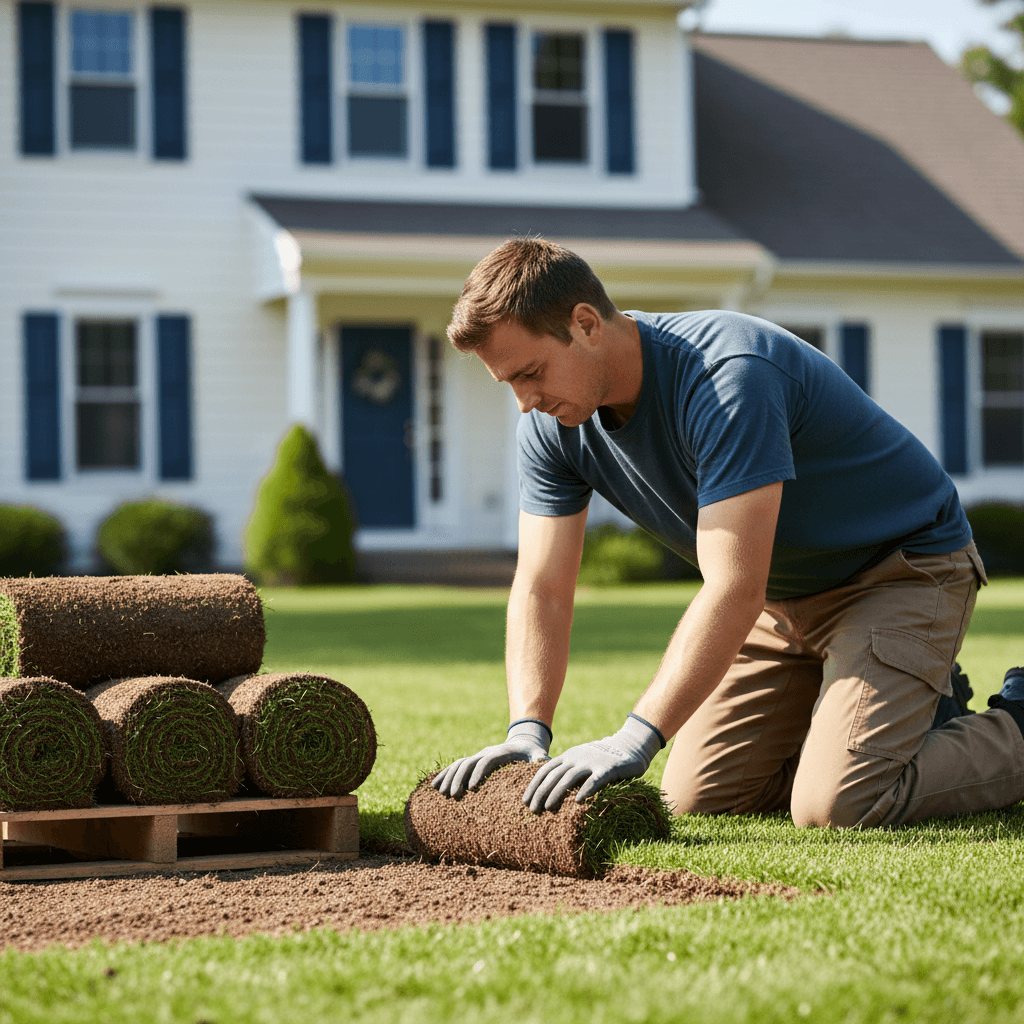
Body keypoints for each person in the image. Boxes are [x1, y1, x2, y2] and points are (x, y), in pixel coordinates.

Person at [432, 238, 1024, 828]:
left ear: (585, 324)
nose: (524, 403)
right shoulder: (550, 425)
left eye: (530, 373)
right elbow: (542, 586)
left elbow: (733, 586)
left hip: (901, 571)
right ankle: (912, 716)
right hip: (782, 597)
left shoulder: (726, 375)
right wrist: (527, 729)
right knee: (699, 795)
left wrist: (633, 737)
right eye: (508, 383)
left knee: (838, 805)